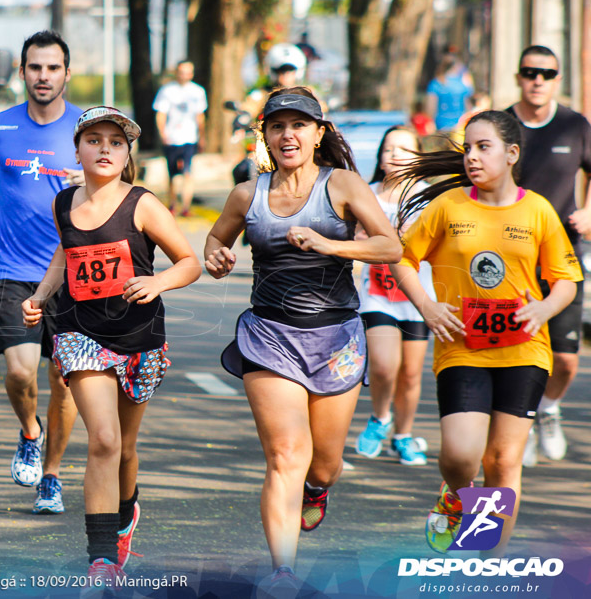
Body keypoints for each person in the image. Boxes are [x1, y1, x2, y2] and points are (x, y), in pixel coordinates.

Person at [204, 87, 401, 585]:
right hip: (269, 335)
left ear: (318, 134)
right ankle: (283, 572)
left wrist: (329, 244)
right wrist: (216, 256)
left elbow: (390, 247)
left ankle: (318, 489)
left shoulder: (345, 186)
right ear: (265, 136)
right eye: (276, 126)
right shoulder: (248, 194)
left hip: (335, 338)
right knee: (287, 454)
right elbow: (215, 239)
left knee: (325, 463)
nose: (287, 135)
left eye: (298, 126)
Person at [22, 106, 200, 587]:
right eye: (94, 140)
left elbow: (189, 262)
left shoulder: (142, 203)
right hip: (80, 333)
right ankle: (100, 556)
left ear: (127, 154)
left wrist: (158, 282)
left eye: (115, 142)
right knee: (102, 439)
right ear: (77, 150)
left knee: (124, 447)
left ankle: (126, 507)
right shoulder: (64, 203)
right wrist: (39, 296)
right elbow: (66, 255)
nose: (105, 149)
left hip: (140, 338)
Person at [389, 109, 580, 555]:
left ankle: (483, 557)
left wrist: (544, 307)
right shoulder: (448, 206)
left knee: (503, 461)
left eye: (483, 147)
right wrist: (427, 305)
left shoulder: (537, 210)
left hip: (524, 349)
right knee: (461, 457)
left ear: (511, 154)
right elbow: (401, 258)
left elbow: (566, 279)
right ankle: (455, 491)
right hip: (462, 348)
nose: (472, 157)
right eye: (468, 148)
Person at [0, 30, 83, 514]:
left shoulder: (88, 126)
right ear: (21, 72)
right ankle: (30, 432)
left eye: (53, 68)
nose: (43, 76)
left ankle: (51, 477)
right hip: (13, 267)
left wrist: (95, 179)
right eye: (35, 67)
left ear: (66, 74)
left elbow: (126, 175)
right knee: (20, 372)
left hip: (76, 272)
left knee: (64, 380)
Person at [506, 45, 591, 464]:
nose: (537, 80)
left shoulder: (575, 125)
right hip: (509, 254)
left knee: (565, 358)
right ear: (519, 77)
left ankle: (548, 409)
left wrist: (589, 211)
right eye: (529, 72)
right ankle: (517, 425)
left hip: (562, 255)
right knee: (515, 349)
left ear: (557, 79)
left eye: (546, 73)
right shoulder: (503, 124)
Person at [353, 127, 435, 466]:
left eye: (404, 148)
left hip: (418, 298)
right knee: (385, 366)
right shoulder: (366, 194)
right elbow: (356, 240)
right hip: (377, 294)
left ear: (418, 156)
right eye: (388, 149)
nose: (395, 154)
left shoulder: (431, 197)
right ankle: (380, 417)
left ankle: (403, 435)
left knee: (411, 373)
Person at [153, 60, 207, 216]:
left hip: (189, 137)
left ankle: (186, 207)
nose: (185, 75)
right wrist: (163, 133)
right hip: (172, 137)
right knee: (172, 174)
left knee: (188, 172)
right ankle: (172, 204)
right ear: (177, 72)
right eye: (182, 71)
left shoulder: (198, 91)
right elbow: (161, 114)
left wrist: (201, 136)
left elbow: (200, 116)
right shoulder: (167, 91)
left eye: (188, 72)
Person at [425, 54, 474, 132]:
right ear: (456, 66)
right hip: (460, 125)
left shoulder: (435, 84)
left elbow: (430, 108)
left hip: (441, 125)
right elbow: (468, 106)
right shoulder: (462, 84)